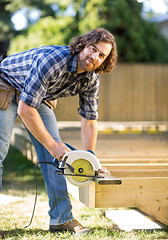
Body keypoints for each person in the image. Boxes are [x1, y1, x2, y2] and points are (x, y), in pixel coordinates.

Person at [0, 28, 117, 236]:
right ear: (83, 44)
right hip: (5, 83)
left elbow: (89, 120)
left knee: (58, 158)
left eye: (102, 55)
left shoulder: (91, 79)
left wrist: (90, 160)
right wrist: (53, 146)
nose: (94, 57)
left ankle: (61, 219)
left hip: (36, 96)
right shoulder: (53, 61)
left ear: (106, 62)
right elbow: (25, 110)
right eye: (93, 49)